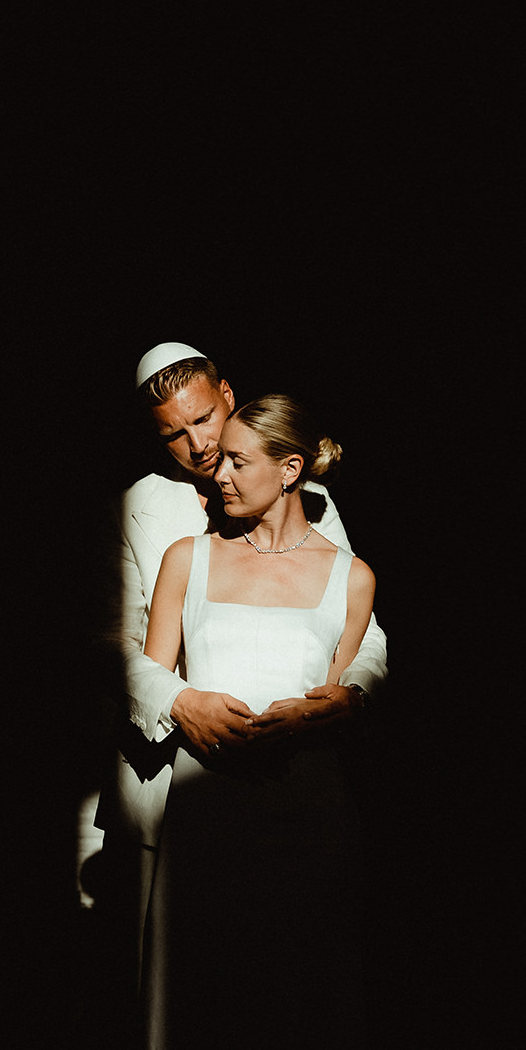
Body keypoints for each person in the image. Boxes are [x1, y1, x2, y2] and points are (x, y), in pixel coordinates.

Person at [95, 343, 388, 1008]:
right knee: (181, 981)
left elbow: (355, 617)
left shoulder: (313, 500)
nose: (199, 446)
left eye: (204, 420)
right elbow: (109, 641)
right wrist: (179, 701)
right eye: (174, 434)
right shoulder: (137, 509)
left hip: (296, 773)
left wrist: (350, 693)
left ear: (227, 394)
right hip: (177, 776)